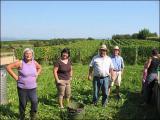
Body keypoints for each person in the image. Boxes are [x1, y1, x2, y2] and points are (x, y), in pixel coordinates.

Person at [6, 48, 42, 120]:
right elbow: (8, 67)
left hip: (33, 87)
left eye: (30, 53)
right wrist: (16, 77)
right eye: (26, 53)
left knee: (35, 102)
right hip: (22, 88)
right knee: (23, 104)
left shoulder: (34, 62)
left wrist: (37, 74)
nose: (28, 55)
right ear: (24, 54)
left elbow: (40, 67)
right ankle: (22, 117)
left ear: (32, 55)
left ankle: (33, 116)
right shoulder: (20, 62)